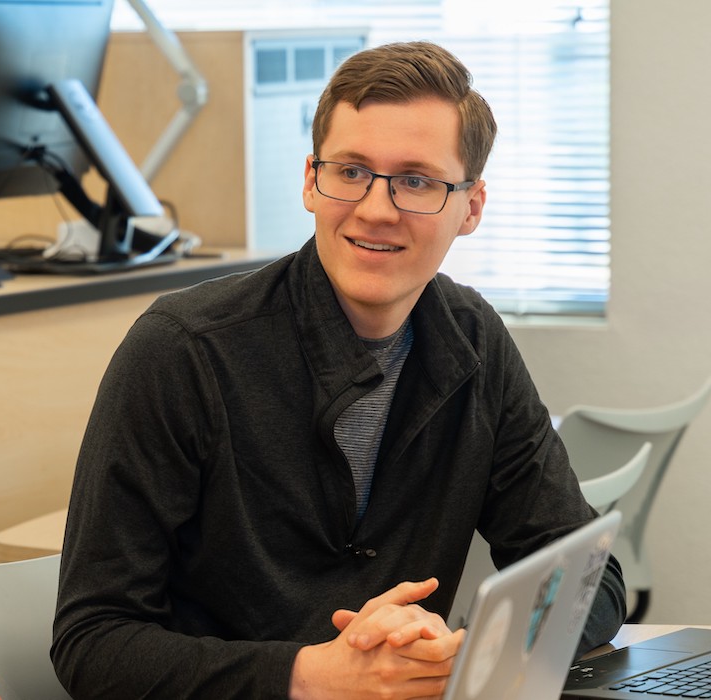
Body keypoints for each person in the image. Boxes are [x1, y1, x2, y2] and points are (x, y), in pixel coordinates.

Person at [51, 41, 626, 699]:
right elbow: (92, 643)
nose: (376, 208)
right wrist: (309, 676)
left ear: (470, 208)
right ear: (309, 180)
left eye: (417, 181)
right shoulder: (181, 351)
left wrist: (461, 656)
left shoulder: (475, 344)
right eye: (350, 171)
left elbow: (594, 582)